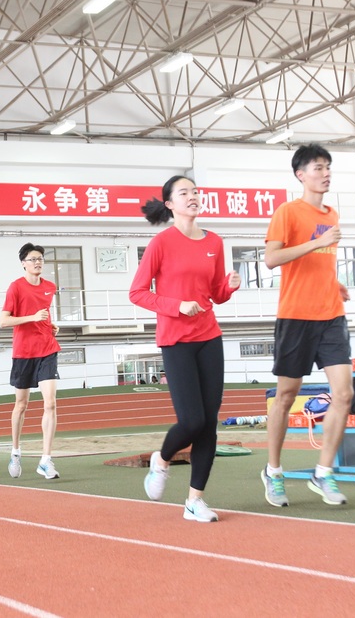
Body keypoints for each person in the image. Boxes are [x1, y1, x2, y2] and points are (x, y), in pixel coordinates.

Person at [130, 175, 241, 523]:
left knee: (209, 425)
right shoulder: (161, 243)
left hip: (209, 337)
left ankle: (195, 501)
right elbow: (137, 292)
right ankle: (160, 459)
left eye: (195, 191)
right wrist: (176, 306)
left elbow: (215, 294)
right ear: (170, 204)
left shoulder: (215, 242)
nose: (192, 197)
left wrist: (229, 286)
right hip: (175, 340)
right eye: (184, 193)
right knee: (192, 420)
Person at [261, 143, 354, 507]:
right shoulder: (288, 211)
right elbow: (271, 259)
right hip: (296, 317)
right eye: (318, 168)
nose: (325, 173)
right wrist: (317, 242)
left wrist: (334, 282)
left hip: (331, 315)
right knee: (285, 397)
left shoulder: (333, 214)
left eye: (328, 167)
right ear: (301, 174)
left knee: (344, 394)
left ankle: (323, 473)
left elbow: (320, 262)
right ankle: (274, 472)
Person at [0, 242, 62, 480]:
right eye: (33, 259)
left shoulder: (49, 286)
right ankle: (15, 451)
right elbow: (4, 320)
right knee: (22, 405)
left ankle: (46, 460)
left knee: (51, 404)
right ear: (23, 263)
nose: (38, 262)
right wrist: (32, 318)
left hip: (47, 348)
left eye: (41, 259)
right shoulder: (16, 287)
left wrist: (50, 324)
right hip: (24, 352)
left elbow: (44, 313)